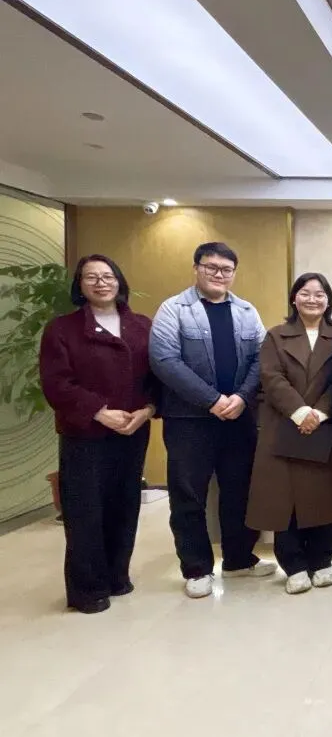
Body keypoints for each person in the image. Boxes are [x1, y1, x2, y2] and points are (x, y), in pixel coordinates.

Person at [150, 242, 274, 599]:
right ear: (196, 268)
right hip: (189, 420)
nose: (219, 274)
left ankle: (239, 559)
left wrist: (241, 397)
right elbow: (164, 360)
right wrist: (213, 400)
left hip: (238, 416)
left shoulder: (246, 311)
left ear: (234, 273)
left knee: (240, 491)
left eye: (226, 269)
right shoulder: (173, 309)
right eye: (211, 267)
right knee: (188, 496)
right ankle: (197, 568)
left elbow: (262, 358)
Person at [39, 255, 157, 614]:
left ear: (119, 281)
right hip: (85, 433)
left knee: (125, 505)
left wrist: (149, 409)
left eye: (107, 276)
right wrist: (99, 411)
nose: (101, 283)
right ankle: (87, 590)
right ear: (80, 285)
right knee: (85, 511)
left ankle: (117, 577)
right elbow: (56, 383)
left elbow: (158, 374)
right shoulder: (62, 329)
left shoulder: (141, 325)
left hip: (133, 429)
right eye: (91, 277)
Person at [246, 273, 332, 595]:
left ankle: (323, 560)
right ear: (294, 298)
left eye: (319, 294)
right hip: (284, 425)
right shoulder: (276, 336)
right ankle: (293, 565)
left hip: (325, 427)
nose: (312, 299)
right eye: (305, 293)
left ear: (328, 301)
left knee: (324, 498)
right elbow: (271, 377)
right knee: (285, 501)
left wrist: (320, 413)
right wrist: (301, 412)